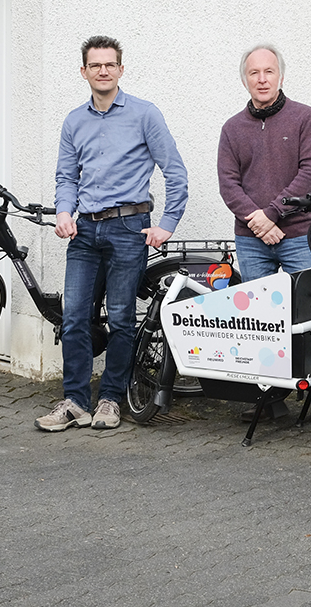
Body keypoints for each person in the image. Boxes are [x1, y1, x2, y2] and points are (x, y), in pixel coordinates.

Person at [36, 35, 189, 432]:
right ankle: (74, 402)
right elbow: (66, 176)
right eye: (95, 65)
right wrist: (65, 212)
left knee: (121, 318)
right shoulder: (74, 120)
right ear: (83, 71)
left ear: (121, 69)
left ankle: (110, 400)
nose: (103, 70)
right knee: (74, 318)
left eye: (110, 64)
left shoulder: (145, 114)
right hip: (84, 231)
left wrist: (166, 225)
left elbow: (176, 173)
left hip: (127, 228)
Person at [218, 44, 311, 423]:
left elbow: (310, 172)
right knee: (260, 323)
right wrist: (257, 221)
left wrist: (272, 215)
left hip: (297, 234)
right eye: (254, 73)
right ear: (245, 79)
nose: (262, 79)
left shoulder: (304, 118)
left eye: (269, 71)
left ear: (281, 75)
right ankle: (270, 395)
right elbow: (228, 183)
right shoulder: (233, 128)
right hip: (252, 240)